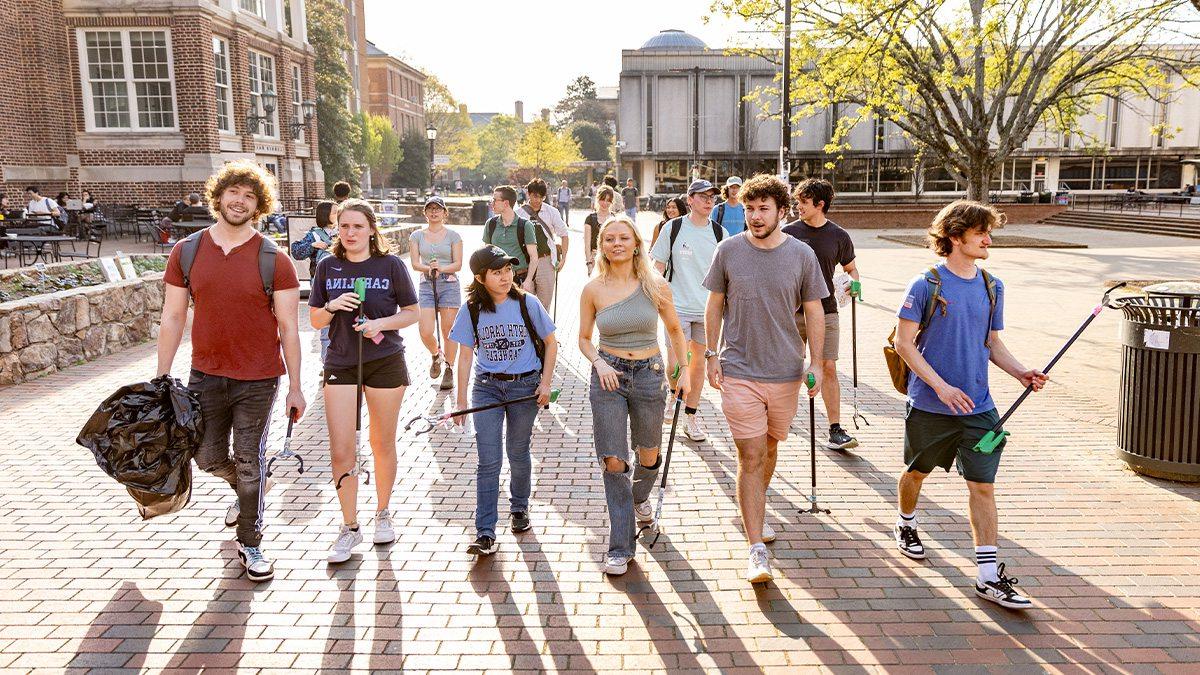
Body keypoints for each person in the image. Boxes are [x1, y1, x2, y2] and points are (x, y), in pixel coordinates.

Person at [892, 200, 1046, 610]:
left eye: (988, 232)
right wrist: (940, 387)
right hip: (930, 405)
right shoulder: (926, 285)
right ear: (955, 236)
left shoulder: (993, 286)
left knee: (982, 485)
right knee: (917, 473)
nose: (988, 239)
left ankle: (988, 576)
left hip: (980, 408)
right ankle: (906, 523)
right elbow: (902, 343)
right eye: (980, 232)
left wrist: (1021, 372)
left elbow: (992, 343)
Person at [156, 159, 305, 583]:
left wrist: (296, 387)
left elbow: (289, 329)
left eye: (249, 196)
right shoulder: (186, 252)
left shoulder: (273, 260)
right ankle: (250, 490)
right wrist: (163, 377)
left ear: (259, 206)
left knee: (248, 458)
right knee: (205, 456)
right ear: (218, 196)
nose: (239, 201)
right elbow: (171, 317)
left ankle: (251, 540)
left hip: (258, 377)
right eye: (233, 192)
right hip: (205, 373)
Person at [702, 174, 827, 584]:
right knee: (751, 456)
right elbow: (714, 304)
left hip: (786, 370)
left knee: (770, 449)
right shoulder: (728, 250)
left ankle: (756, 503)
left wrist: (816, 363)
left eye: (763, 209)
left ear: (781, 211)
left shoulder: (802, 255)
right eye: (749, 209)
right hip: (738, 369)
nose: (754, 216)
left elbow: (814, 312)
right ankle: (755, 548)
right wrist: (710, 353)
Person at [309, 199, 419, 564]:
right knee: (342, 448)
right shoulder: (327, 267)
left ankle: (383, 512)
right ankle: (349, 525)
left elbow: (412, 313)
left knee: (380, 441)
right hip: (341, 361)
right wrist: (331, 306)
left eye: (358, 226)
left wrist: (379, 324)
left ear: (372, 229)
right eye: (344, 227)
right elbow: (314, 320)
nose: (351, 233)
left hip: (384, 360)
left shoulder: (390, 265)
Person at [578, 215, 689, 575]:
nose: (616, 243)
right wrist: (599, 363)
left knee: (649, 453)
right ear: (602, 247)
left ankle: (639, 499)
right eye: (609, 239)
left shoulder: (655, 284)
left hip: (649, 374)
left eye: (623, 237)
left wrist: (684, 371)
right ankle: (621, 546)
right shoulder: (593, 289)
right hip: (608, 376)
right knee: (613, 460)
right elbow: (582, 337)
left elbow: (674, 328)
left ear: (637, 243)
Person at [449, 245, 558, 557]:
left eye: (508, 270)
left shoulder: (527, 302)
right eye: (497, 272)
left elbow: (551, 344)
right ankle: (485, 532)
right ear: (481, 278)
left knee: (518, 452)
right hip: (487, 389)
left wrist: (546, 383)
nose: (506, 276)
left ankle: (519, 508)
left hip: (525, 388)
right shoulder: (471, 308)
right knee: (489, 460)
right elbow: (465, 355)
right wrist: (460, 401)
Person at [782, 179, 861, 450]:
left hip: (826, 311)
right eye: (797, 202)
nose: (798, 207)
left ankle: (835, 429)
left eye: (803, 202)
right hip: (792, 312)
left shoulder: (839, 236)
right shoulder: (788, 232)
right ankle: (782, 416)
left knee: (828, 367)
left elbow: (851, 268)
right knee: (790, 366)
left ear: (820, 204)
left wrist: (854, 282)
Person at [649, 179, 725, 442]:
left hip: (707, 311)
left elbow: (726, 275)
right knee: (673, 366)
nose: (708, 201)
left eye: (712, 197)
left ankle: (690, 418)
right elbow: (657, 266)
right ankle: (673, 395)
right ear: (690, 199)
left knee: (697, 368)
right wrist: (652, 295)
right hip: (677, 308)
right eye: (703, 196)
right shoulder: (673, 228)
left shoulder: (719, 233)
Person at [408, 195, 463, 391]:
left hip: (449, 283)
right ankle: (435, 354)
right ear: (425, 212)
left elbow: (458, 264)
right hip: (427, 283)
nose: (434, 211)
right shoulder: (416, 236)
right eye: (430, 208)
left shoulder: (453, 236)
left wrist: (442, 268)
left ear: (444, 212)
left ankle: (449, 368)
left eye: (437, 208)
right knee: (425, 330)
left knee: (448, 330)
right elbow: (415, 263)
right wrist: (428, 269)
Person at [289, 200, 338, 361]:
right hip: (322, 286)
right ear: (325, 215)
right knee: (326, 325)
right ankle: (327, 362)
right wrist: (313, 245)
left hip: (343, 284)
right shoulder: (315, 234)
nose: (338, 215)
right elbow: (295, 251)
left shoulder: (344, 230)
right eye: (334, 212)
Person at [517, 178, 570, 310]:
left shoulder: (552, 212)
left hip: (546, 261)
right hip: (525, 263)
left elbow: (564, 234)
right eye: (535, 196)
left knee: (544, 305)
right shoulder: (519, 214)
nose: (538, 200)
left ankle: (544, 331)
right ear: (528, 194)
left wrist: (563, 259)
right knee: (525, 304)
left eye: (542, 197)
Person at [481, 185, 538, 289]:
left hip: (519, 280)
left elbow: (534, 257)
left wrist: (528, 280)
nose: (492, 203)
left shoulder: (525, 225)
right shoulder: (491, 224)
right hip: (496, 280)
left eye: (495, 200)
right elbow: (487, 254)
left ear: (506, 203)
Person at [583, 186, 615, 274]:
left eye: (608, 200)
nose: (605, 203)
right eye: (603, 199)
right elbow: (587, 243)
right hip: (595, 259)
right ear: (597, 199)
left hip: (613, 260)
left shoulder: (615, 219)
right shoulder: (590, 219)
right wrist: (589, 263)